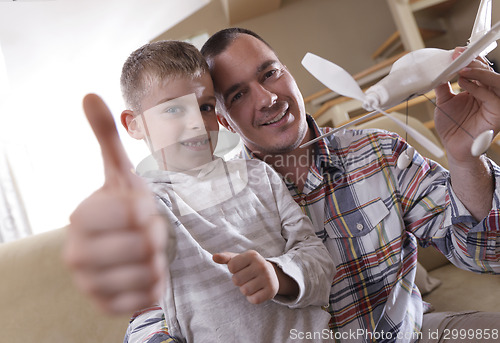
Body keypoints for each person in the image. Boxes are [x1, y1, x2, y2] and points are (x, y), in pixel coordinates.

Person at [66, 29, 500, 343]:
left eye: (269, 73)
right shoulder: (197, 201)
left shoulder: (380, 152)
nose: (266, 98)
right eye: (236, 95)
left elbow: (487, 253)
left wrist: (466, 160)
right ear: (223, 118)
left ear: (289, 73)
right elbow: (154, 313)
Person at [65, 40, 335, 343]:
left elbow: (319, 262)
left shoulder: (259, 177)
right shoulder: (148, 204)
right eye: (174, 109)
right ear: (134, 125)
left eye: (205, 107)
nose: (196, 123)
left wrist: (278, 274)